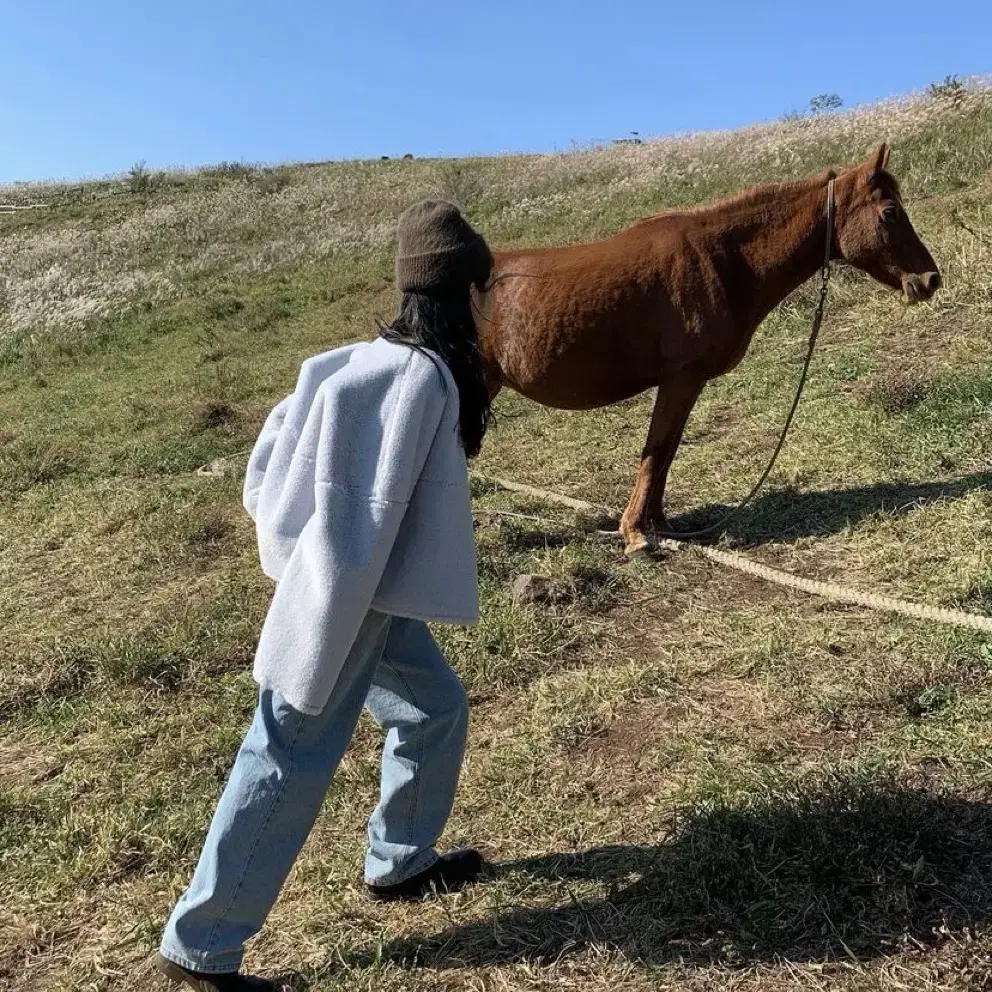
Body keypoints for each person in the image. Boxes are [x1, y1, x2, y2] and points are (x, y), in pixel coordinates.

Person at [156, 201, 496, 991]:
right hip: (346, 597)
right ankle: (200, 945)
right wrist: (324, 619)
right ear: (462, 292)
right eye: (484, 286)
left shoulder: (355, 358)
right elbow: (361, 517)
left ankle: (399, 860)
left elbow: (275, 453)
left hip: (365, 587)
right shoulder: (420, 379)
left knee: (433, 707)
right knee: (288, 747)